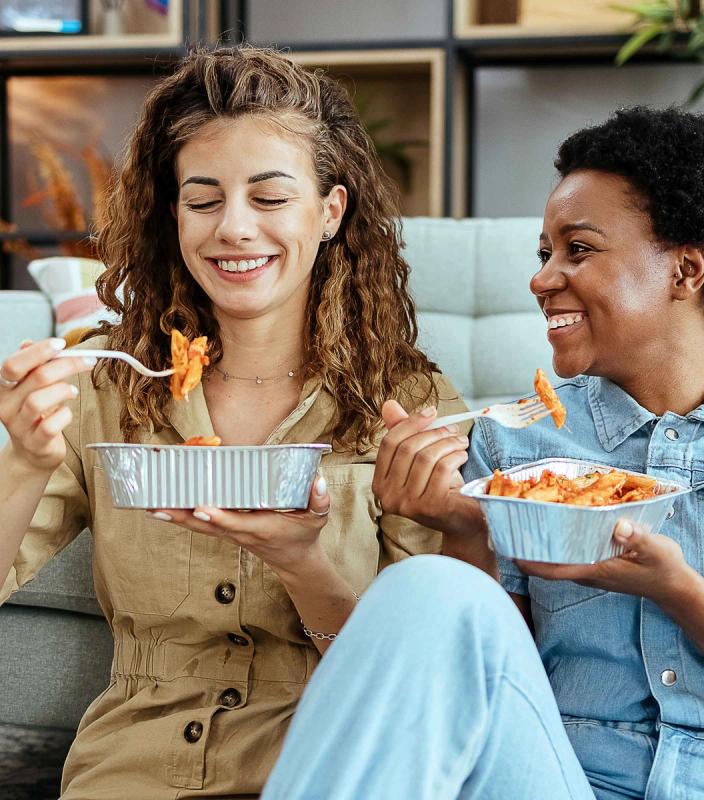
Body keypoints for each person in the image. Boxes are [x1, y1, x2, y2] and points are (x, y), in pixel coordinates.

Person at [261, 107, 704, 800]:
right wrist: (463, 531)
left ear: (686, 270)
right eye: (544, 254)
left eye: (578, 250)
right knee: (429, 586)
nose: (544, 280)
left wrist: (678, 589)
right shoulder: (514, 441)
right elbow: (481, 681)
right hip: (559, 778)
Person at [0, 46, 467, 798]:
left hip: (327, 759)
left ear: (330, 212)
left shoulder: (405, 401)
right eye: (205, 198)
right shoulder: (110, 381)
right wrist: (21, 460)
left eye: (270, 198)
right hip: (131, 770)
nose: (234, 229)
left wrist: (301, 563)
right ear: (173, 213)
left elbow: (415, 676)